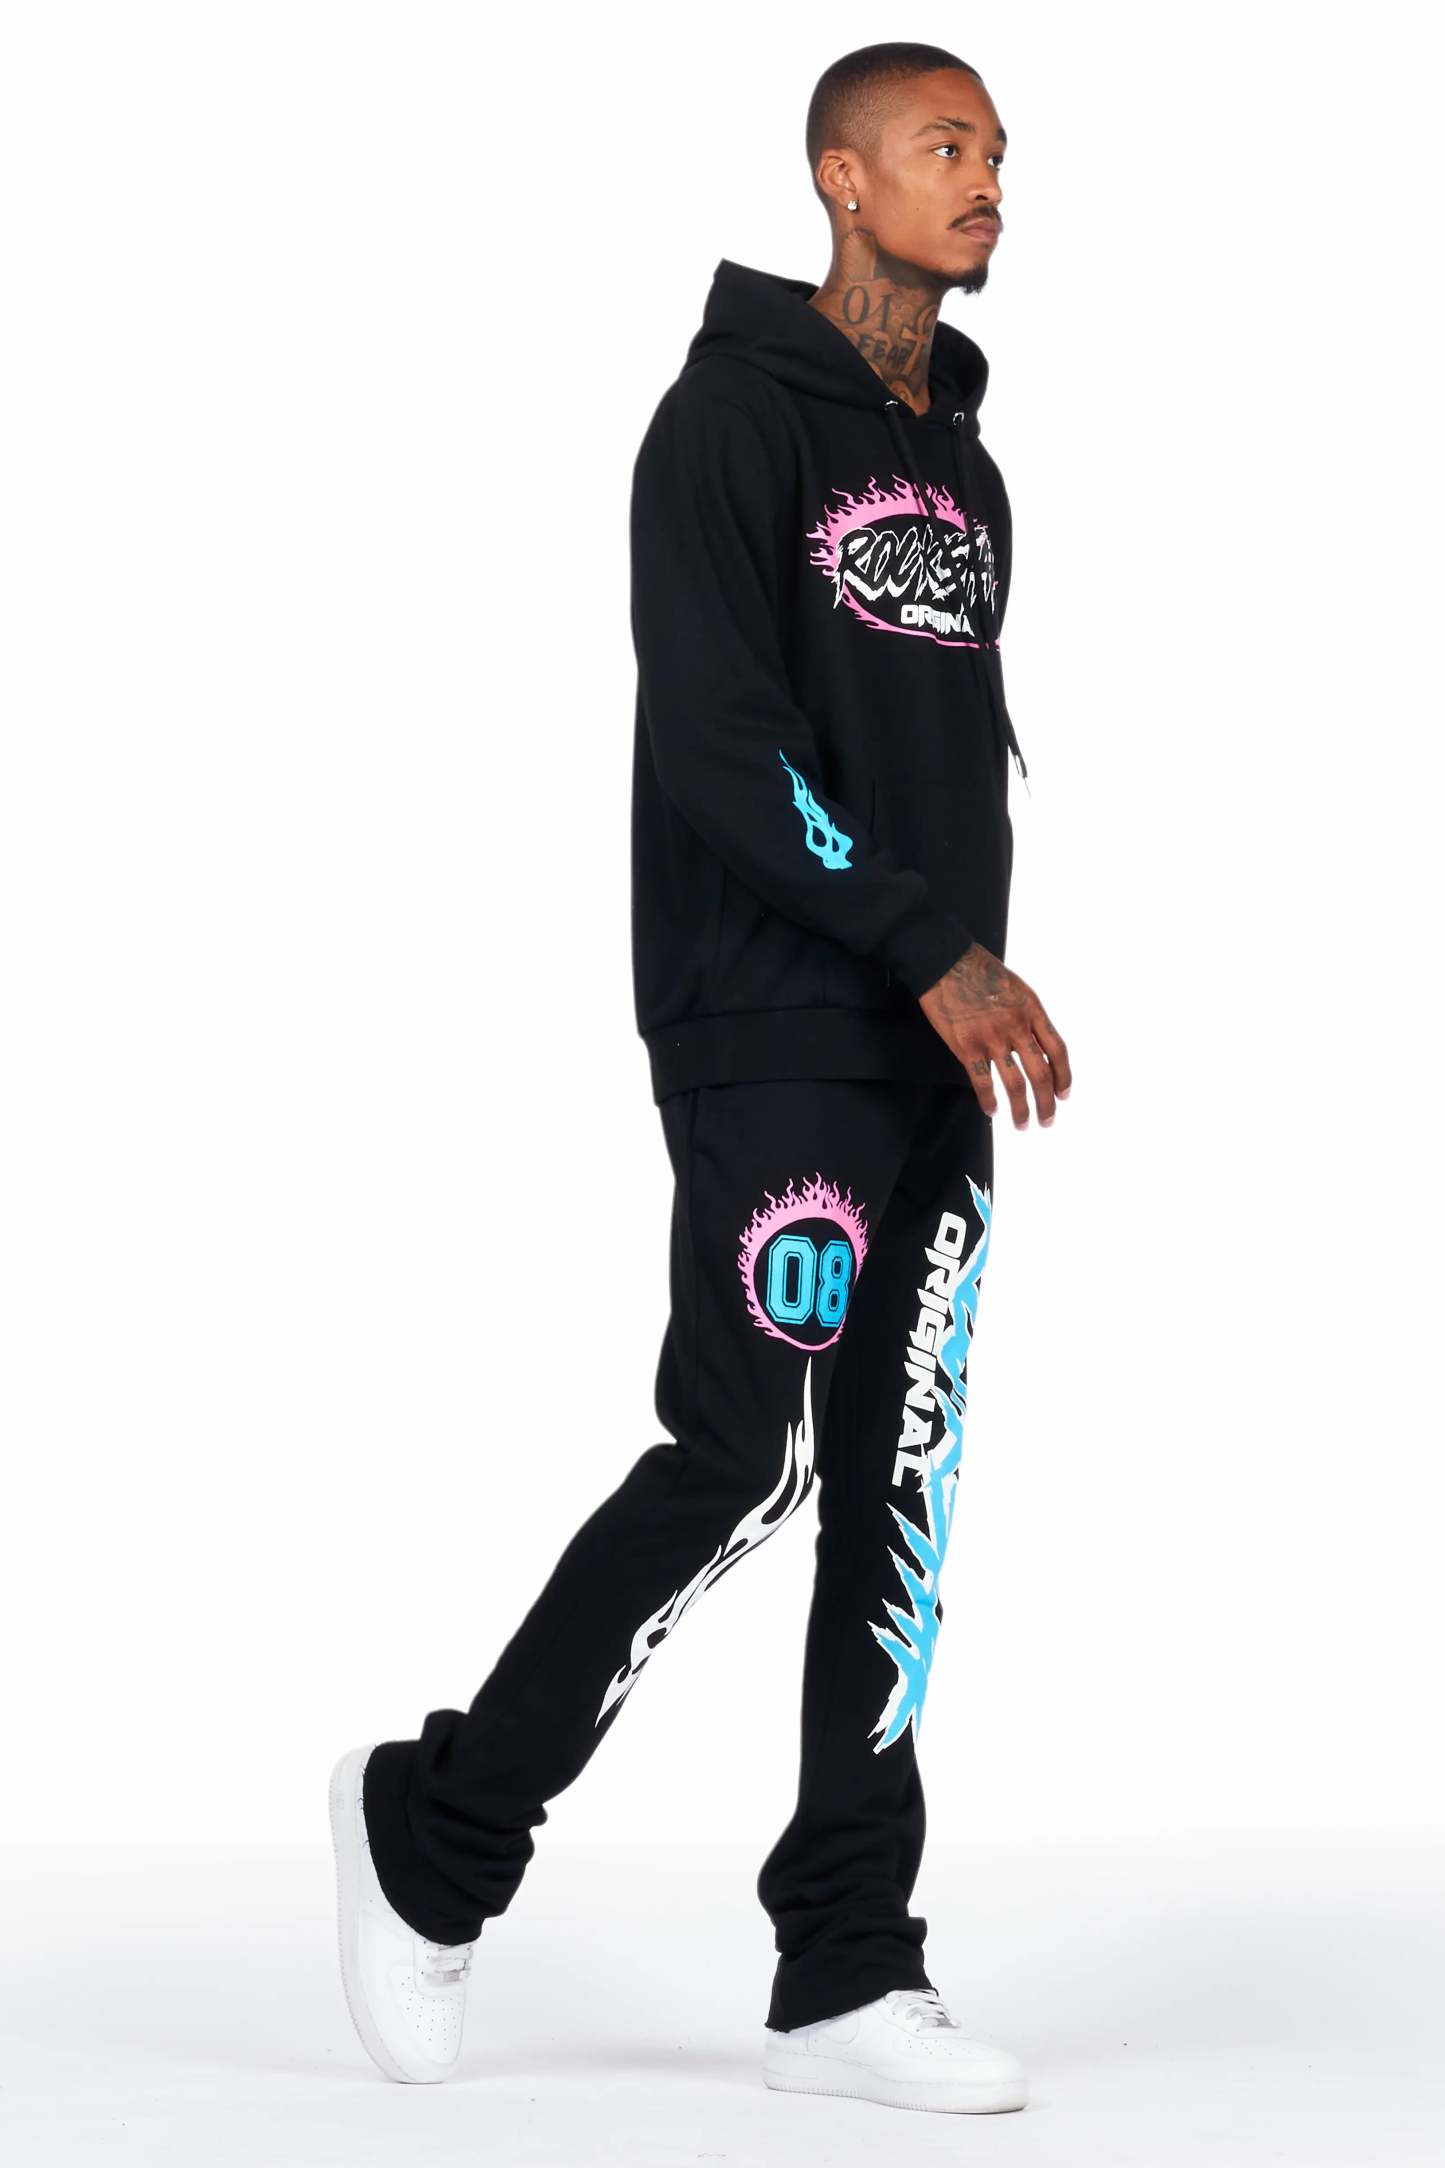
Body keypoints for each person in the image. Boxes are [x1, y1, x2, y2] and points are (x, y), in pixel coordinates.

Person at [329, 39, 1069, 2117]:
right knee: (745, 1455)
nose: (987, 180)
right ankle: (436, 1831)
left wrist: (963, 975)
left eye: (999, 151)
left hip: (931, 1040)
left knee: (898, 1483)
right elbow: (723, 745)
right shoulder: (725, 421)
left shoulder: (968, 461)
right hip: (776, 1022)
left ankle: (845, 1963)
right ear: (840, 177)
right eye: (943, 146)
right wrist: (923, 945)